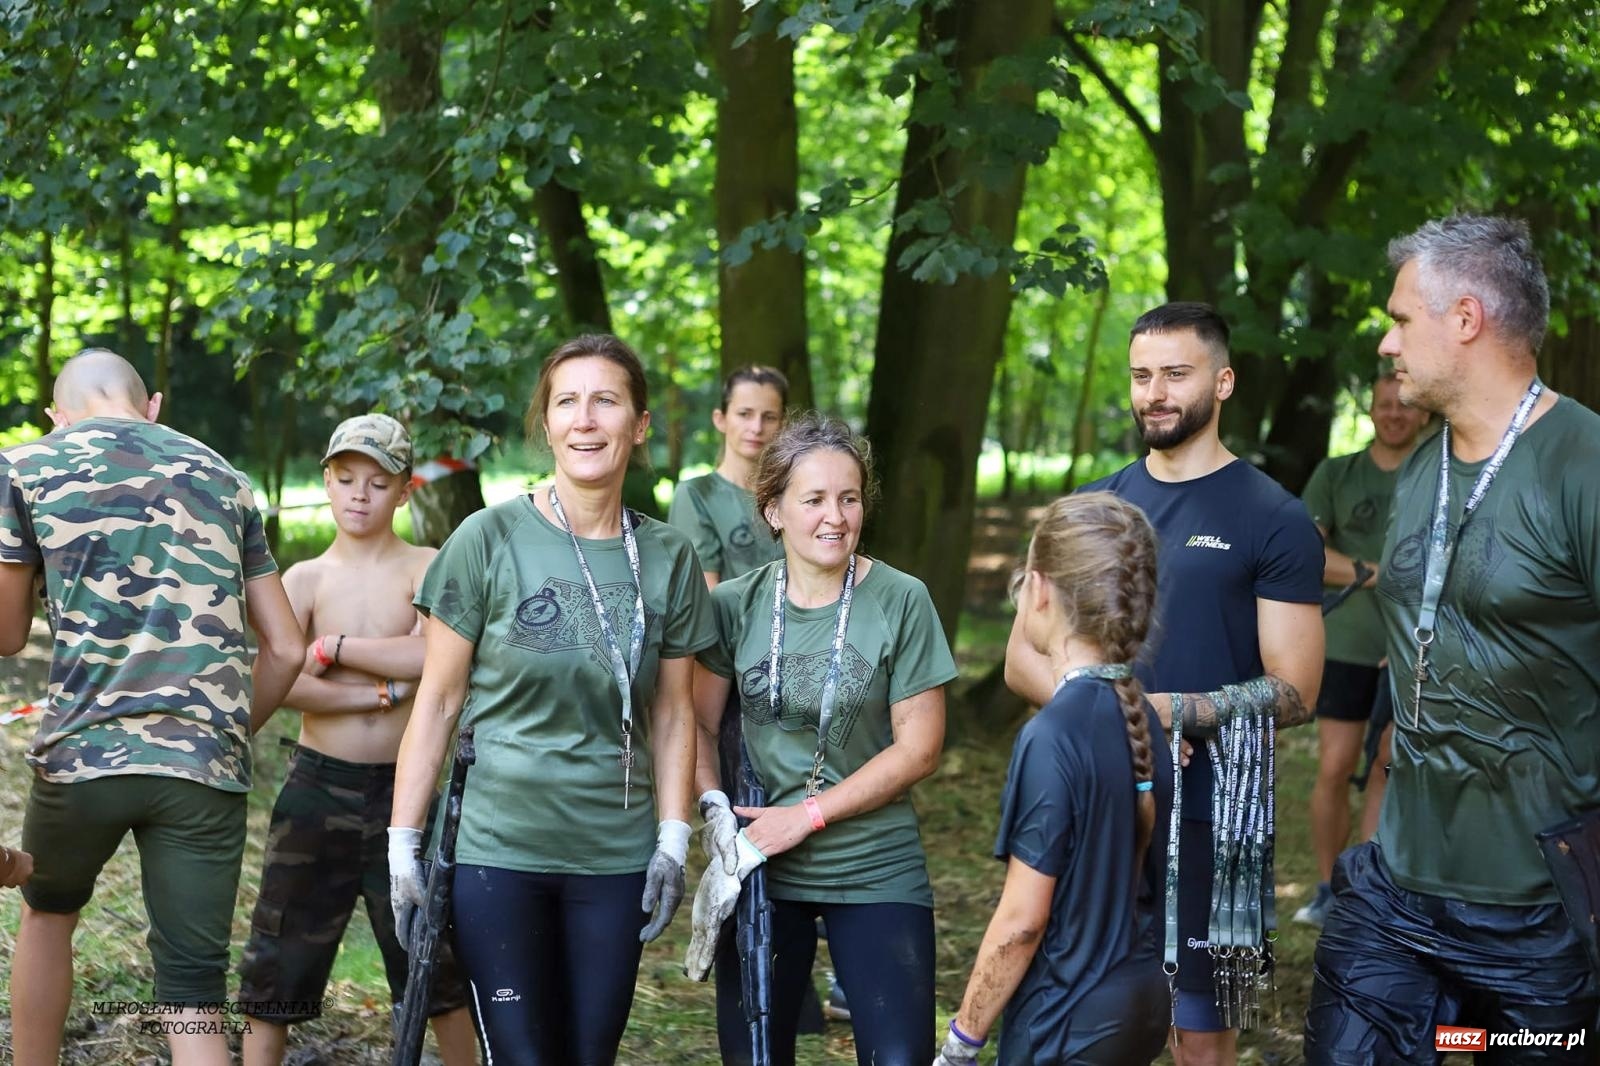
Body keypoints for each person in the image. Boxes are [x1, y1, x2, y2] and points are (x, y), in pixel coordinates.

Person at [1305, 216, 1600, 1062]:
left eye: (1401, 319)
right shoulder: (1422, 470)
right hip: (1397, 887)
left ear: (1464, 319)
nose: (1387, 342)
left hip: (1541, 913)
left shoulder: (1582, 464)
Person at [1007, 303, 1324, 1066]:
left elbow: (1296, 691)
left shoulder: (1273, 518)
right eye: (1141, 375)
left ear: (1222, 382)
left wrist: (1168, 714)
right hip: (1100, 801)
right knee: (1086, 1012)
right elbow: (1023, 658)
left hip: (1218, 815)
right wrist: (1122, 724)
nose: (1154, 392)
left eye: (1175, 375)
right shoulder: (1090, 511)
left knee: (1201, 1036)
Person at [389, 334, 714, 1065]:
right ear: (546, 425)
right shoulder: (487, 538)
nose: (585, 419)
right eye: (567, 401)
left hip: (615, 853)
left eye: (606, 400)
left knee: (589, 1052)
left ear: (639, 424)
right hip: (499, 851)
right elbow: (437, 704)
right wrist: (401, 846)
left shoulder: (669, 557)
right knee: (524, 1055)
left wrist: (672, 838)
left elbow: (672, 712)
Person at [0, 348, 304, 1066]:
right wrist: (220, 730)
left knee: (47, 916)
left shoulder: (26, 466)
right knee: (193, 988)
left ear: (57, 415)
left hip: (81, 759)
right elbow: (288, 649)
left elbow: (7, 636)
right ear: (154, 406)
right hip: (204, 766)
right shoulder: (225, 476)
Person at [683, 412, 956, 1066]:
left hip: (875, 863)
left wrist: (806, 816)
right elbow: (693, 723)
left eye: (849, 497)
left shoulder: (901, 600)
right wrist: (715, 811)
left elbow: (920, 747)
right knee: (754, 1055)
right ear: (773, 510)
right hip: (760, 870)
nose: (835, 516)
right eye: (814, 500)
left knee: (899, 1058)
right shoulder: (734, 607)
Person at [237, 414, 476, 1066]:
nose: (359, 494)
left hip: (409, 792)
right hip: (318, 787)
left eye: (377, 482)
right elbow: (282, 682)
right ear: (328, 481)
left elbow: (435, 653)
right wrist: (377, 691)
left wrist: (336, 648)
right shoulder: (304, 580)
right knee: (277, 964)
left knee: (440, 961)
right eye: (345, 480)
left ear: (405, 490)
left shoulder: (429, 566)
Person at [934, 493, 1173, 1066]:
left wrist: (961, 1042)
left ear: (1039, 590)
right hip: (1142, 1006)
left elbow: (1021, 922)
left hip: (1068, 1019)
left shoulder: (1052, 735)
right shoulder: (1141, 719)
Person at [1293, 372, 1427, 928]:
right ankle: (1328, 886)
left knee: (1386, 763)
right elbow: (1305, 555)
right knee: (1335, 765)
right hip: (1345, 643)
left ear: (1422, 412)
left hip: (1410, 647)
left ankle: (1365, 894)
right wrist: (1375, 573)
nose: (1394, 414)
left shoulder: (1437, 474)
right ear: (1370, 410)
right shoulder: (1336, 474)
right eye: (1384, 405)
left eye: (1404, 405)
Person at [669, 365, 788, 586]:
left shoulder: (793, 494)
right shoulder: (696, 494)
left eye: (769, 417)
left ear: (783, 424)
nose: (756, 427)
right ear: (720, 419)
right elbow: (704, 598)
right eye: (745, 414)